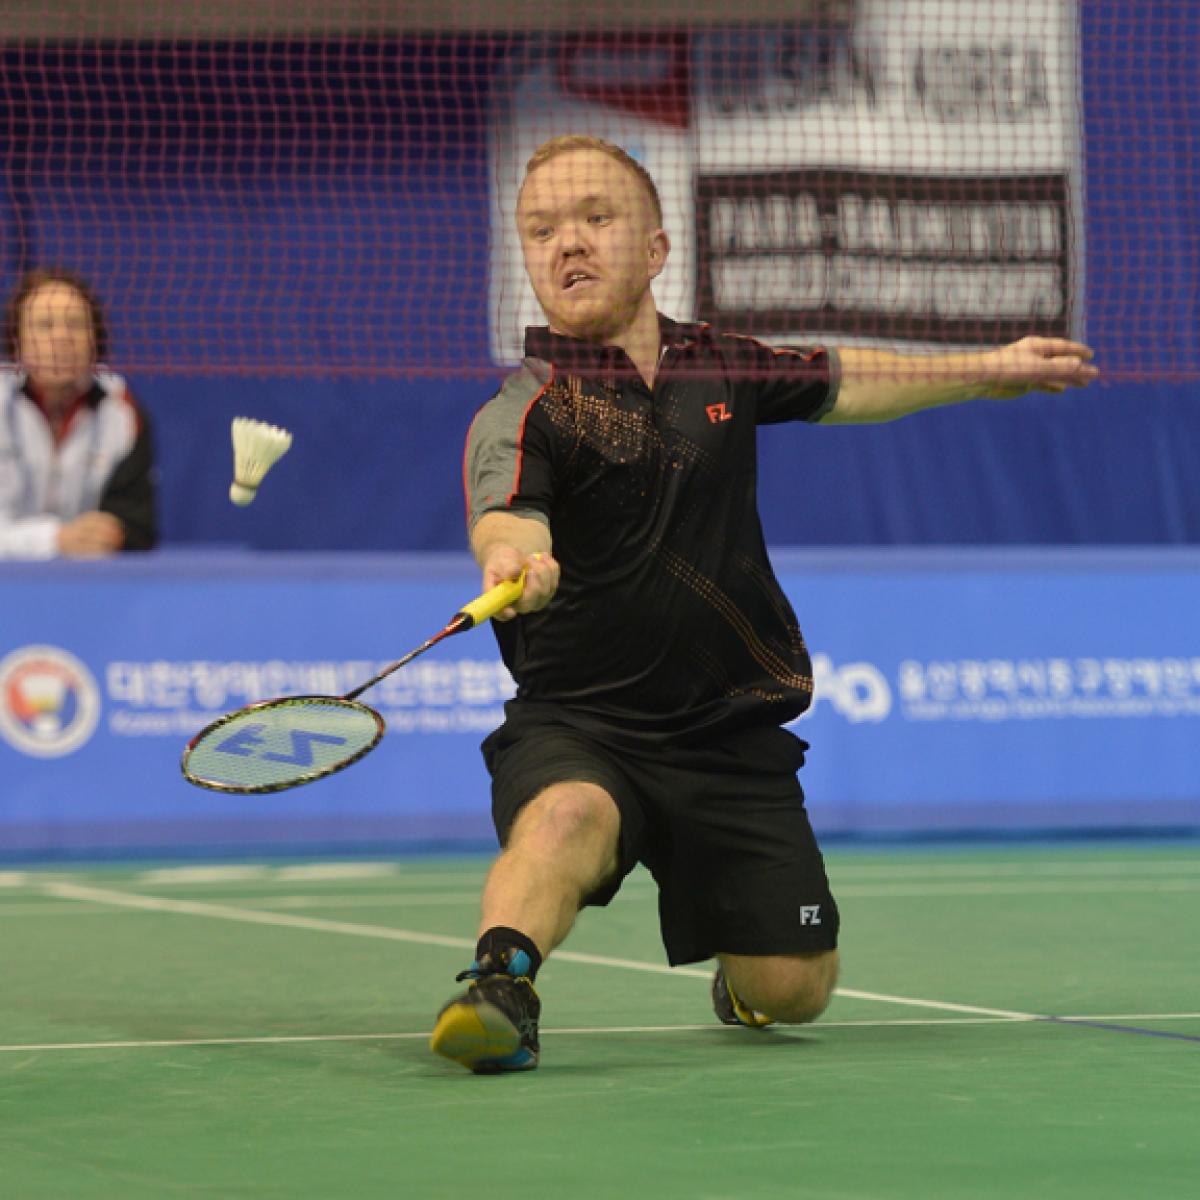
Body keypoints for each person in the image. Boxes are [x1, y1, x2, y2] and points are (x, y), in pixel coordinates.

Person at [431, 134, 1098, 1074]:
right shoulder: (527, 406)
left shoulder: (722, 368)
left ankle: (740, 980)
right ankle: (499, 987)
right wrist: (519, 561)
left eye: (594, 218)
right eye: (540, 230)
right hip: (585, 721)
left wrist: (993, 365)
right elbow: (506, 519)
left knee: (796, 988)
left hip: (724, 734)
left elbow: (849, 378)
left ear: (656, 250)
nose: (566, 245)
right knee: (565, 815)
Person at [0, 267, 158, 559]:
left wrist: (113, 533)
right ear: (16, 340)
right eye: (45, 325)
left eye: (75, 324)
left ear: (94, 340)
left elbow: (138, 526)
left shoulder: (123, 413)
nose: (62, 338)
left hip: (87, 584)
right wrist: (54, 540)